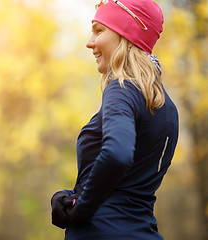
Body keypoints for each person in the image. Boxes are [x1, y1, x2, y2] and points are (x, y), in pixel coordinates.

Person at [50, 0, 179, 239]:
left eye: (99, 31)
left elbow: (117, 155)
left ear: (125, 35)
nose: (90, 43)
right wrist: (69, 196)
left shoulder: (121, 89)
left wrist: (80, 209)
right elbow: (130, 187)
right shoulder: (167, 107)